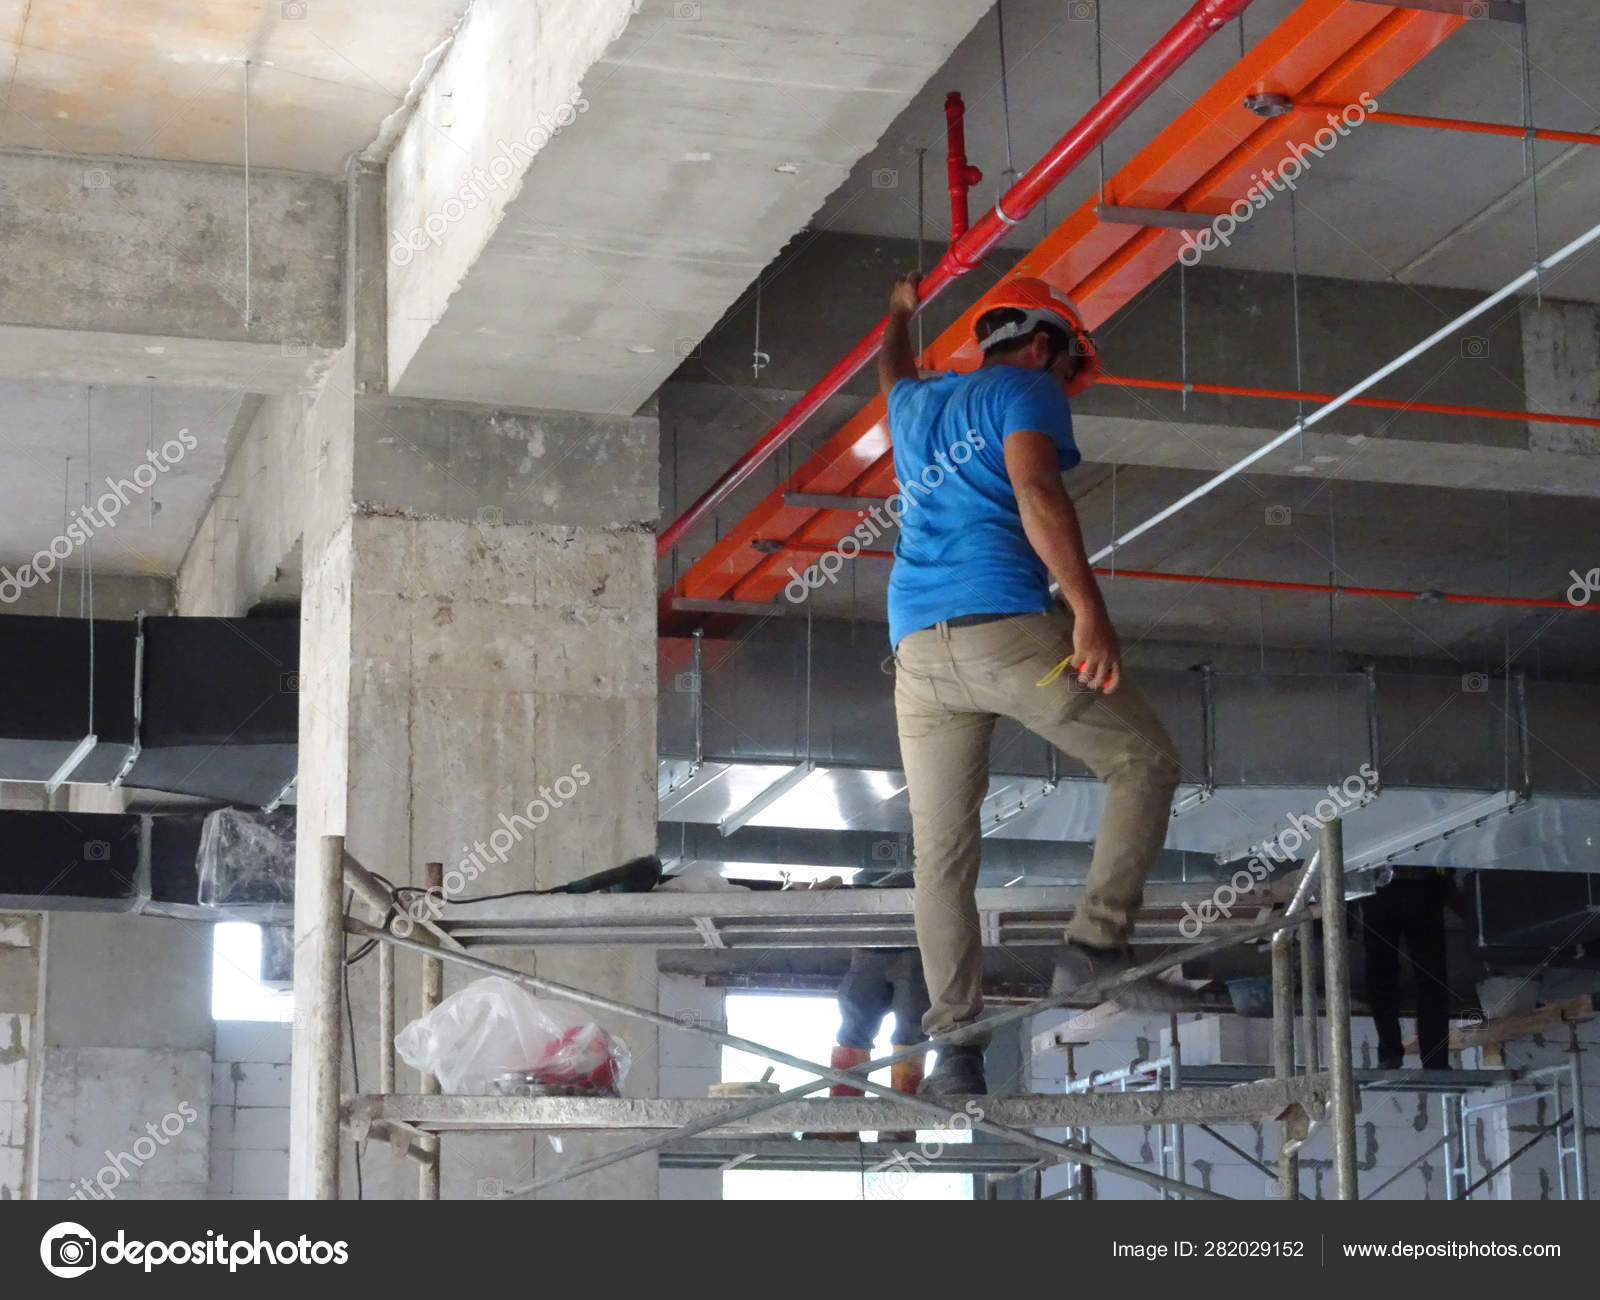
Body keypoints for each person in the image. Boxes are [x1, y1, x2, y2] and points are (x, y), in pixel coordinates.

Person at [878, 272, 1182, 1097]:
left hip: (918, 655)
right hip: (1008, 631)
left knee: (939, 858)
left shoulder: (918, 406)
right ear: (1046, 344)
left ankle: (956, 1052)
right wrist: (1089, 611)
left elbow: (892, 372)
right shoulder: (1023, 389)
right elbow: (1036, 488)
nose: (1065, 388)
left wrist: (900, 316)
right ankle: (1095, 951)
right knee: (1144, 762)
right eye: (1068, 368)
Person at [1359, 866, 1454, 1069]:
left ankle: (1395, 1053)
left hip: (1394, 882)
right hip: (1413, 883)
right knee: (1427, 976)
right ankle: (1430, 1059)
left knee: (1384, 974)